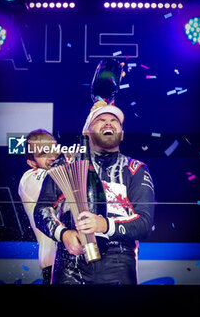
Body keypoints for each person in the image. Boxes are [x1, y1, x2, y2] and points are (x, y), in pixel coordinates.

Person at [34, 101, 155, 284]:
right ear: (88, 132)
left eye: (114, 120)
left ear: (121, 134)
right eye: (100, 120)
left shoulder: (135, 169)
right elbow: (42, 209)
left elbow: (145, 222)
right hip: (70, 262)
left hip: (119, 261)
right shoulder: (67, 164)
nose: (108, 123)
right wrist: (64, 234)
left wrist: (103, 225)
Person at [18, 129, 59, 284]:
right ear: (32, 162)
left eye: (53, 149)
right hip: (55, 264)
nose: (52, 157)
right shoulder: (29, 179)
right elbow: (59, 180)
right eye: (43, 153)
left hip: (88, 261)